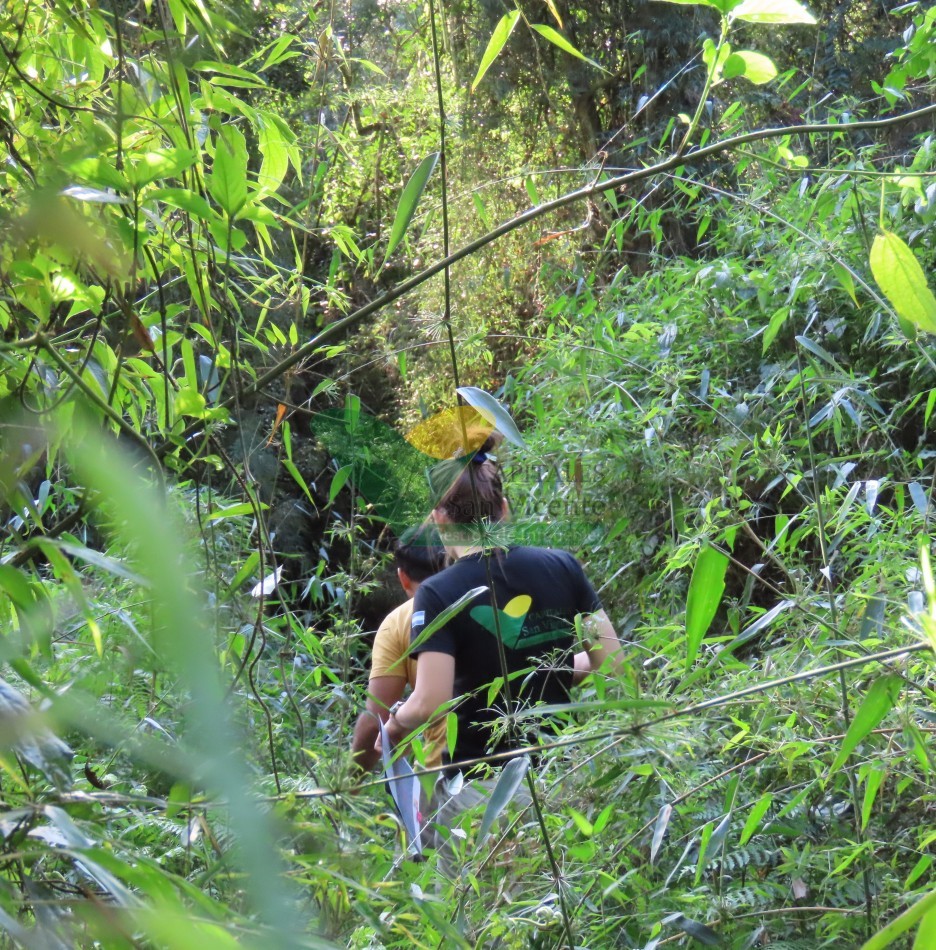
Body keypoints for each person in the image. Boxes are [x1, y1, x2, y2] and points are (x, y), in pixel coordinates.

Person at [378, 436, 625, 865]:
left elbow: (430, 700)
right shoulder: (562, 565)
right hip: (562, 777)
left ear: (439, 520)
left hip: (478, 791)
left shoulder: (437, 593)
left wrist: (393, 730)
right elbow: (613, 662)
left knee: (469, 918)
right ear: (505, 510)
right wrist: (552, 670)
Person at [350, 527, 447, 774]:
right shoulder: (491, 595)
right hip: (533, 758)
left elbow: (376, 721)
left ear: (403, 578)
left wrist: (347, 788)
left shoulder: (398, 623)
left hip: (443, 773)